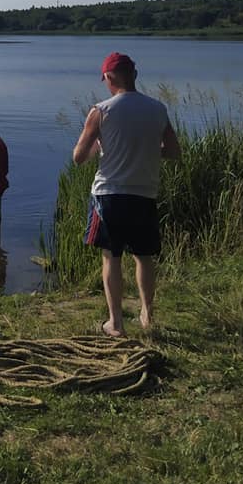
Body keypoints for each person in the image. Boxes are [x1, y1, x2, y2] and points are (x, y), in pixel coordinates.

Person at [72, 52, 182, 338]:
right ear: (134, 73)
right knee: (144, 258)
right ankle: (146, 314)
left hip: (109, 195)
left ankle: (116, 323)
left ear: (109, 78)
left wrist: (100, 145)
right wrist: (145, 149)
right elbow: (173, 152)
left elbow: (78, 157)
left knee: (111, 258)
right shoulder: (158, 109)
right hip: (144, 194)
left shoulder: (101, 110)